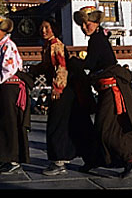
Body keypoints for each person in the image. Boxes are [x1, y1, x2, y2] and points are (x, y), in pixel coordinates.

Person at [71, 6, 132, 178]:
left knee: (105, 128)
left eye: (87, 24)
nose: (84, 27)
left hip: (112, 89)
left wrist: (74, 62)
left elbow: (89, 64)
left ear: (96, 23)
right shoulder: (98, 38)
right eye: (82, 24)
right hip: (108, 88)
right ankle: (99, 159)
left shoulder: (96, 41)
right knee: (119, 125)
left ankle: (131, 158)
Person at [28, 17, 98, 176]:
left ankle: (58, 161)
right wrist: (34, 69)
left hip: (64, 90)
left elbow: (61, 67)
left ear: (54, 28)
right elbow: (47, 66)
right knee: (78, 123)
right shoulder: (48, 46)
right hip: (70, 91)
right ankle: (91, 157)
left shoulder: (56, 45)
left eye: (47, 27)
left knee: (57, 124)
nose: (43, 30)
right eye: (42, 28)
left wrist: (57, 88)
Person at [0, 15, 32, 175]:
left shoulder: (8, 45)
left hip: (11, 87)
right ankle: (3, 157)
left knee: (9, 124)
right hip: (6, 88)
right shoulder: (2, 45)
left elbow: (9, 70)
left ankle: (12, 159)